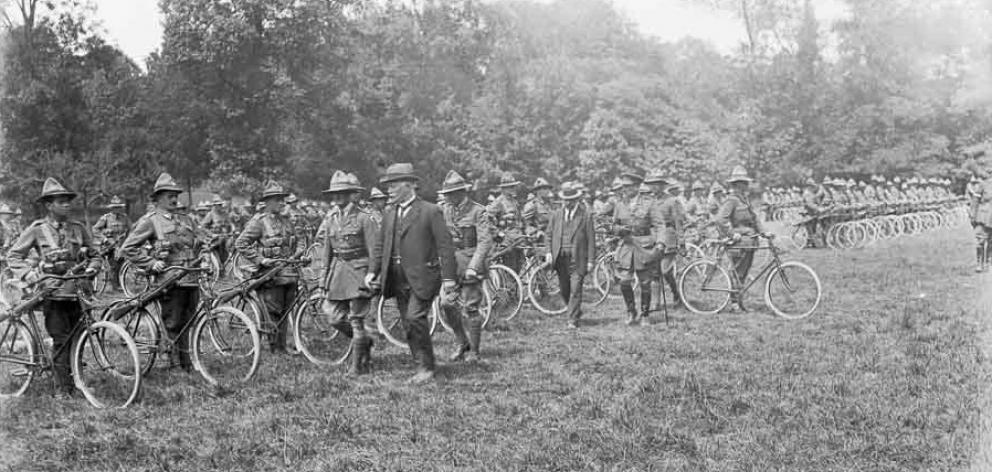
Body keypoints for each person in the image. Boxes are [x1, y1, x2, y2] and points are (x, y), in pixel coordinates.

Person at [7, 178, 100, 397]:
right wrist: (29, 275)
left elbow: (95, 254)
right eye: (61, 201)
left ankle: (77, 381)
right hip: (53, 293)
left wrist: (92, 268)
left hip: (78, 291)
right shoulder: (37, 229)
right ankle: (62, 389)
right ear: (49, 205)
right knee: (61, 339)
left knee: (78, 337)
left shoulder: (78, 228)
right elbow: (14, 255)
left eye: (68, 201)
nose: (67, 205)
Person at [367, 163, 456, 384]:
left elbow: (445, 247)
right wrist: (372, 272)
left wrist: (449, 279)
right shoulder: (389, 214)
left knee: (415, 317)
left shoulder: (430, 210)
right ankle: (424, 363)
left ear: (409, 185)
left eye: (394, 185)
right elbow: (380, 247)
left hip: (424, 277)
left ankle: (426, 368)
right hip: (396, 278)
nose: (389, 190)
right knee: (408, 323)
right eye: (388, 185)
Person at [121, 173, 211, 371]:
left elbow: (203, 239)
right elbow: (128, 248)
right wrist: (151, 262)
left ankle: (186, 361)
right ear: (158, 198)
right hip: (170, 280)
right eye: (169, 195)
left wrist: (205, 250)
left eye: (175, 195)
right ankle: (174, 363)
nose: (173, 198)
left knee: (188, 319)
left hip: (191, 277)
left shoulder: (187, 219)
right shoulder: (150, 221)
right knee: (173, 321)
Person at [317, 172, 379, 375]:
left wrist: (372, 275)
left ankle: (357, 367)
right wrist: (322, 280)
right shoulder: (331, 218)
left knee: (356, 320)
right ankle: (365, 341)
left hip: (359, 272)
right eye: (334, 194)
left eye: (341, 193)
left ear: (351, 193)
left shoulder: (364, 218)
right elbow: (326, 251)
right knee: (334, 317)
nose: (337, 198)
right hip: (338, 273)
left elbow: (374, 251)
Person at [235, 181, 301, 354]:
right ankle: (275, 348)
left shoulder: (286, 221)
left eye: (282, 200)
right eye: (277, 200)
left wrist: (299, 256)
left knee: (286, 312)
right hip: (270, 275)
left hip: (289, 273)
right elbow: (241, 243)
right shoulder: (259, 222)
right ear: (268, 201)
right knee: (273, 312)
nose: (281, 203)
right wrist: (260, 260)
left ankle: (282, 345)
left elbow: (296, 241)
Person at [437, 170, 493, 360]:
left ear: (462, 192)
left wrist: (474, 266)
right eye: (447, 194)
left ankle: (475, 351)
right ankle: (462, 342)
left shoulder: (478, 211)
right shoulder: (445, 209)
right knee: (447, 304)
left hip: (471, 264)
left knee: (470, 308)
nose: (448, 197)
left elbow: (485, 242)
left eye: (451, 193)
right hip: (451, 266)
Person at [543, 182, 596, 328]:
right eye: (565, 200)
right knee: (564, 289)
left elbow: (591, 240)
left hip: (578, 259)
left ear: (576, 200)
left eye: (571, 200)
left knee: (576, 289)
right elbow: (548, 235)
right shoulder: (556, 215)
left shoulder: (585, 215)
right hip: (560, 259)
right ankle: (575, 311)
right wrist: (548, 252)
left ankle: (572, 320)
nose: (568, 203)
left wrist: (591, 261)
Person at [715, 166, 764, 310]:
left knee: (744, 272)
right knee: (736, 272)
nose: (747, 185)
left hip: (750, 241)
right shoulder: (732, 200)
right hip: (739, 242)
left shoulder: (744, 199)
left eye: (746, 182)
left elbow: (754, 218)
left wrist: (763, 232)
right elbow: (720, 220)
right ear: (737, 184)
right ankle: (734, 303)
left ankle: (740, 301)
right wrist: (731, 234)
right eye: (744, 182)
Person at [611, 171, 655, 325]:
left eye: (628, 187)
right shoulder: (619, 204)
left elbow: (658, 225)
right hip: (626, 246)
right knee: (624, 281)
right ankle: (631, 311)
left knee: (645, 282)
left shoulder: (649, 203)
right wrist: (618, 230)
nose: (625, 190)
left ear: (637, 187)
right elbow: (614, 225)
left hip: (643, 246)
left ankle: (645, 314)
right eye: (623, 187)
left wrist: (659, 243)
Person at [652, 175, 686, 311]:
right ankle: (656, 303)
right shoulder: (649, 201)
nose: (654, 187)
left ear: (663, 186)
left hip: (668, 237)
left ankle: (676, 294)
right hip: (653, 238)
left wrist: (682, 241)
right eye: (652, 184)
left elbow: (678, 222)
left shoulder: (672, 201)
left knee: (665, 271)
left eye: (657, 184)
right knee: (654, 272)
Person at [91, 196, 131, 290]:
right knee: (113, 265)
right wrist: (104, 239)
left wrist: (129, 240)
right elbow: (95, 229)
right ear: (111, 208)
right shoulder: (106, 218)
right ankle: (115, 286)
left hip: (122, 245)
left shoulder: (124, 218)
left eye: (118, 207)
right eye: (115, 207)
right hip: (110, 245)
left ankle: (121, 283)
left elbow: (131, 229)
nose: (117, 209)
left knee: (121, 265)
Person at [487, 173, 524, 273]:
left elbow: (519, 220)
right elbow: (487, 218)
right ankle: (509, 288)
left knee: (519, 269)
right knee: (510, 270)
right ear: (503, 189)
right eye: (510, 187)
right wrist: (497, 233)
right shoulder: (498, 202)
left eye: (514, 186)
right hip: (506, 242)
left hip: (517, 239)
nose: (513, 188)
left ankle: (516, 288)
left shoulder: (514, 201)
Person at [970, 171, 992, 272]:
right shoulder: (983, 185)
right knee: (980, 241)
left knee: (991, 242)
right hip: (983, 217)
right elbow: (975, 201)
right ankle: (979, 264)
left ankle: (988, 263)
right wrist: (973, 216)